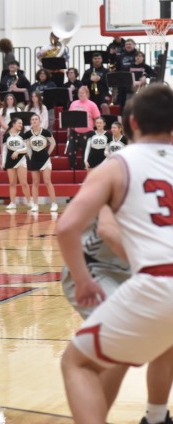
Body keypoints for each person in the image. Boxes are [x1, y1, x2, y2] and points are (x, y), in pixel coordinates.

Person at [57, 84, 173, 424]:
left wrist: (149, 273)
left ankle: (155, 417)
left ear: (132, 122)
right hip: (101, 265)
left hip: (151, 276)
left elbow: (66, 227)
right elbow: (107, 230)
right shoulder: (121, 162)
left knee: (80, 362)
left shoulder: (118, 166)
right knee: (134, 349)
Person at [23, 113, 57, 212]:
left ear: (39, 121)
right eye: (32, 119)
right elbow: (28, 148)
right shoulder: (28, 134)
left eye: (36, 119)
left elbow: (53, 143)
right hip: (34, 159)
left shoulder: (45, 132)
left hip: (45, 159)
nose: (34, 121)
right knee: (35, 182)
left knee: (47, 181)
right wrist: (30, 158)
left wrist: (48, 153)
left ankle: (54, 203)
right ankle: (35, 205)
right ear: (30, 122)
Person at [1, 117, 32, 211]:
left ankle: (30, 202)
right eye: (19, 123)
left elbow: (27, 149)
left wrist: (18, 151)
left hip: (21, 160)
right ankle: (12, 203)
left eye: (21, 124)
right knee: (12, 183)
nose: (21, 125)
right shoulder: (6, 136)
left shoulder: (23, 135)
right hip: (10, 161)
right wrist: (3, 162)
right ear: (13, 124)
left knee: (24, 183)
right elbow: (4, 150)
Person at [66, 86, 101, 170]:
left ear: (87, 94)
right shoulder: (73, 103)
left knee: (86, 155)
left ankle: (83, 171)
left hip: (88, 133)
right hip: (74, 132)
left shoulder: (92, 105)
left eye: (82, 93)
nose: (80, 94)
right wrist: (68, 131)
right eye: (79, 93)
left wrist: (94, 128)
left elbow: (97, 118)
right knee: (70, 151)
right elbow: (69, 118)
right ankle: (73, 169)